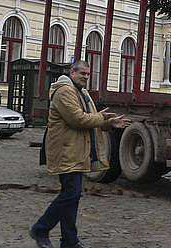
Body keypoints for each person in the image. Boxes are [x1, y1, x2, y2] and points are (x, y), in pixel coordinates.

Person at [30, 60, 130, 248]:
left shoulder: (81, 92)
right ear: (72, 73)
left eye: (87, 74)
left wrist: (109, 123)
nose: (85, 77)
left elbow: (90, 118)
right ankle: (40, 229)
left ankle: (69, 240)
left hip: (77, 150)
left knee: (72, 195)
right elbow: (78, 119)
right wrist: (101, 118)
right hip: (66, 150)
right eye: (82, 73)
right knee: (71, 194)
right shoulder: (64, 91)